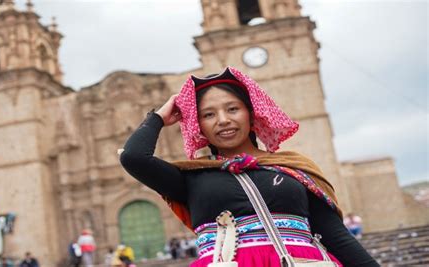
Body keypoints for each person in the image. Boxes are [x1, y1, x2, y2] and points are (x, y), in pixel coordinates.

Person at [120, 67, 379, 266]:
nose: (222, 120)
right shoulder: (189, 178)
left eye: (232, 109)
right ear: (198, 126)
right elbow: (134, 157)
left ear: (251, 114)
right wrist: (157, 117)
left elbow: (337, 238)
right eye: (208, 114)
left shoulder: (293, 169)